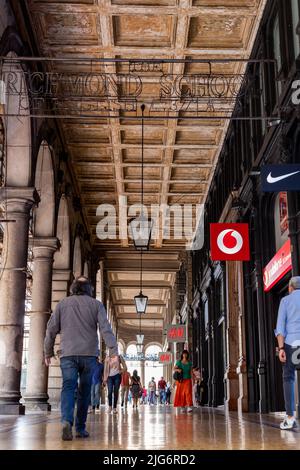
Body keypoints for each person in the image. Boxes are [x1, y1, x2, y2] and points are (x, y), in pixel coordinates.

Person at [44, 276, 118, 441]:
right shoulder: (96, 305)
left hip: (68, 353)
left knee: (68, 387)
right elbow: (105, 329)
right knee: (85, 391)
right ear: (89, 290)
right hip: (89, 355)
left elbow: (51, 329)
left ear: (73, 288)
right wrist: (113, 352)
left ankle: (66, 422)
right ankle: (80, 428)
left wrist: (47, 351)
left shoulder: (63, 304)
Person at [275, 276, 300, 430]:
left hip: (291, 344)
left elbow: (280, 327)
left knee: (288, 377)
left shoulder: (285, 301)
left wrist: (281, 348)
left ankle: (290, 418)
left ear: (290, 288)